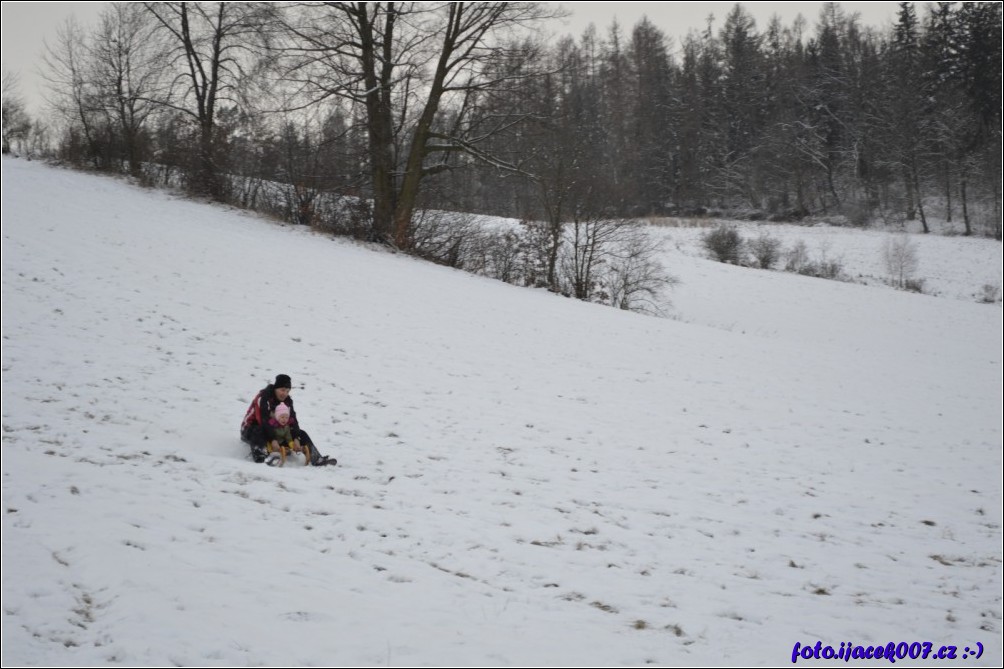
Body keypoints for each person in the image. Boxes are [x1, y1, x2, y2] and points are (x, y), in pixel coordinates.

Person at [240, 374, 336, 466]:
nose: (285, 393)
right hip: (251, 430)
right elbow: (263, 420)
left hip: (274, 430)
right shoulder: (263, 398)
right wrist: (273, 439)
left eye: (287, 391)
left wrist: (296, 438)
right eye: (282, 390)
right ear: (275, 388)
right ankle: (261, 457)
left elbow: (293, 420)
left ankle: (316, 459)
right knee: (259, 430)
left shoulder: (287, 401)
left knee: (301, 433)